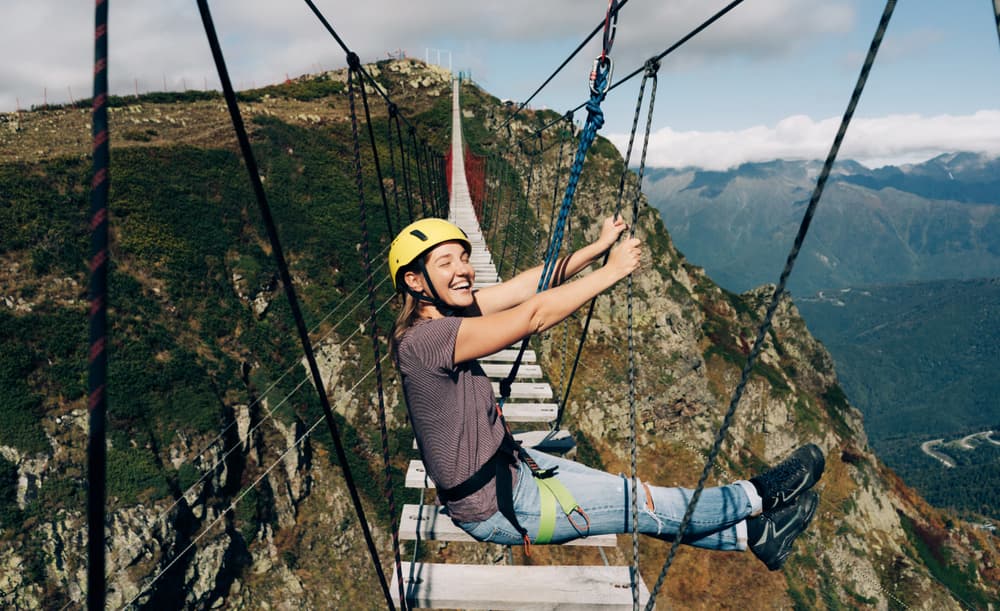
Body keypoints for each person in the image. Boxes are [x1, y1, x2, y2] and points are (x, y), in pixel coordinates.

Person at [389, 216, 824, 570]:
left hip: (511, 468)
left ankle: (756, 536)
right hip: (499, 505)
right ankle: (760, 494)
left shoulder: (445, 313)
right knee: (645, 503)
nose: (463, 269)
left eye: (464, 258)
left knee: (637, 501)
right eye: (446, 262)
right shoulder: (426, 341)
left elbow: (529, 286)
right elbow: (534, 315)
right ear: (415, 280)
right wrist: (612, 272)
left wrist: (596, 250)